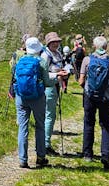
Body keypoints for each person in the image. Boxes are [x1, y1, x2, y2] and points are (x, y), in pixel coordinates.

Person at [79, 36, 109, 169]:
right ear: (106, 46)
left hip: (90, 96)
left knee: (88, 123)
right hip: (106, 97)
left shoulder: (87, 59)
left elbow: (80, 81)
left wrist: (87, 88)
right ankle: (106, 155)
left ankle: (87, 154)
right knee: (105, 125)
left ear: (94, 46)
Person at [12, 37, 52, 168]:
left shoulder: (18, 60)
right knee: (40, 126)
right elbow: (47, 82)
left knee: (23, 127)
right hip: (38, 98)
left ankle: (23, 159)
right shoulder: (42, 62)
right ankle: (40, 157)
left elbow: (14, 77)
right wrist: (58, 78)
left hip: (21, 97)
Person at [41, 32, 70, 155]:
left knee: (51, 115)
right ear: (48, 43)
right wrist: (58, 74)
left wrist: (64, 71)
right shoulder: (45, 55)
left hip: (56, 85)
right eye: (53, 42)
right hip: (49, 87)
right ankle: (45, 144)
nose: (56, 44)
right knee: (49, 115)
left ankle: (45, 143)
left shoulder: (57, 53)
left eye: (57, 42)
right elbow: (43, 74)